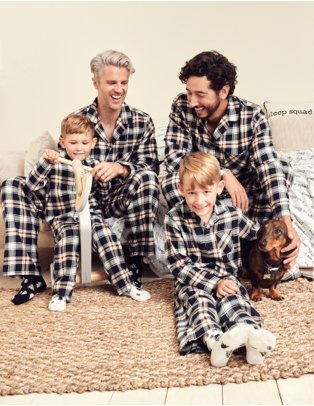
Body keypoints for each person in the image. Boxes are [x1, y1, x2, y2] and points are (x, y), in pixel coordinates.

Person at [1, 50, 159, 305]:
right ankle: (30, 275)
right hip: (77, 200)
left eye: (124, 82)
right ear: (95, 82)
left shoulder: (141, 122)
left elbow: (150, 166)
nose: (119, 89)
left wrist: (120, 168)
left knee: (148, 178)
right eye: (111, 82)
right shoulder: (79, 120)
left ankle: (134, 266)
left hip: (117, 199)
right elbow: (63, 172)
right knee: (11, 186)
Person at [161, 50, 300, 274]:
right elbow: (175, 157)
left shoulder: (252, 116)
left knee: (283, 169)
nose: (192, 101)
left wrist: (286, 220)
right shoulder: (181, 107)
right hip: (205, 189)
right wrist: (222, 173)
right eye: (188, 93)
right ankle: (202, 251)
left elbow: (269, 166)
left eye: (200, 94)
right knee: (168, 180)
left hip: (245, 196)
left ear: (223, 91)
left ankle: (257, 253)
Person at [27, 114, 152, 311]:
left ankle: (126, 284)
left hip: (91, 214)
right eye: (73, 142)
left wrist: (101, 181)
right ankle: (61, 294)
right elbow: (32, 185)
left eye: (84, 142)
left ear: (93, 143)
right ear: (63, 142)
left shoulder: (93, 165)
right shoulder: (56, 163)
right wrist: (45, 163)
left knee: (107, 238)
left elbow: (101, 199)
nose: (78, 148)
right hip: (63, 217)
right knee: (69, 241)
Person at [164, 151, 276, 367]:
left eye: (206, 192)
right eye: (191, 193)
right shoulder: (174, 218)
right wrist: (213, 283)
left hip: (227, 277)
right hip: (194, 282)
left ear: (219, 187)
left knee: (234, 302)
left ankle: (251, 340)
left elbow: (257, 234)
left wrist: (279, 243)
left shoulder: (231, 214)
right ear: (181, 190)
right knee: (200, 305)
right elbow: (179, 265)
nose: (199, 200)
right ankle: (216, 343)